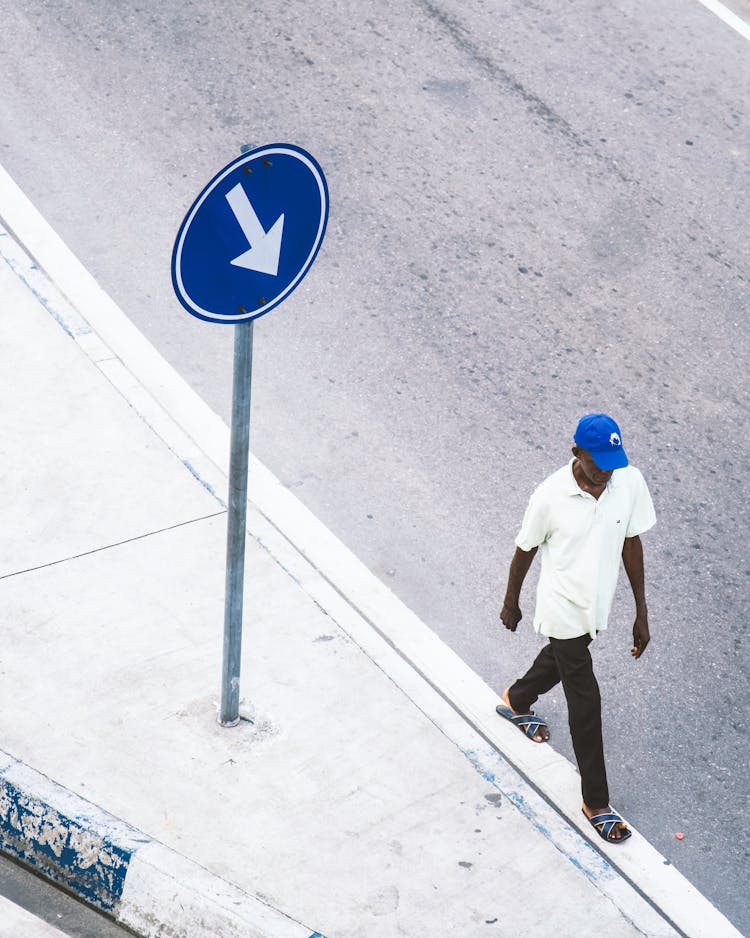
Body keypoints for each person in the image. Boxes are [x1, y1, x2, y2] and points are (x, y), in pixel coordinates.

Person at [497, 413, 655, 844]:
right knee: (586, 702)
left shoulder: (627, 482)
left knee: (563, 659)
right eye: (597, 461)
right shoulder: (550, 497)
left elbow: (631, 541)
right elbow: (524, 550)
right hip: (562, 606)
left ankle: (517, 699)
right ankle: (596, 801)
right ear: (576, 454)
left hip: (594, 606)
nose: (606, 470)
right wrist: (511, 600)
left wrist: (641, 610)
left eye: (612, 460)